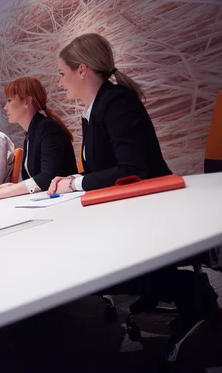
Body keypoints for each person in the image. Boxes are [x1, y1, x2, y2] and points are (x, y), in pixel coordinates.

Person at [47, 33, 219, 346]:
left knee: (98, 264)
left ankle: (191, 291)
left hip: (155, 212)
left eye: (62, 73)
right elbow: (103, 169)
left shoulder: (117, 103)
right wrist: (71, 180)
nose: (60, 83)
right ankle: (184, 290)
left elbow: (132, 170)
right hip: (136, 210)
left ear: (82, 70)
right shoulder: (96, 109)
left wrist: (75, 182)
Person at [0, 77, 77, 205]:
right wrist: (4, 188)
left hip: (65, 202)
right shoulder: (32, 133)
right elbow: (33, 180)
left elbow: (46, 178)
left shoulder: (47, 128)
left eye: (9, 100)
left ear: (27, 102)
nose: (5, 107)